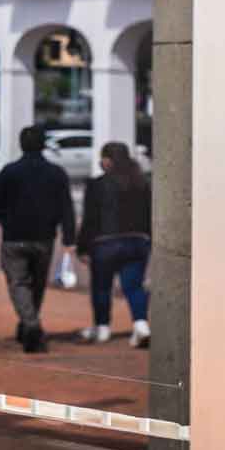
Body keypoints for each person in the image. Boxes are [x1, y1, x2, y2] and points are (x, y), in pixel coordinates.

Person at [0, 125, 76, 353]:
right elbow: (67, 208)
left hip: (14, 238)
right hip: (44, 239)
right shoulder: (57, 173)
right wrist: (69, 238)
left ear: (21, 144)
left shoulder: (10, 172)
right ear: (44, 145)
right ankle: (27, 324)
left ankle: (31, 325)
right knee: (37, 284)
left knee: (19, 283)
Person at [75, 141, 153, 348]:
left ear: (107, 161)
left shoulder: (96, 185)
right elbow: (150, 215)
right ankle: (141, 324)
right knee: (134, 286)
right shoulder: (143, 184)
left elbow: (89, 219)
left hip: (105, 244)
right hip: (137, 241)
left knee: (101, 287)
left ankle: (102, 328)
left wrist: (82, 247)